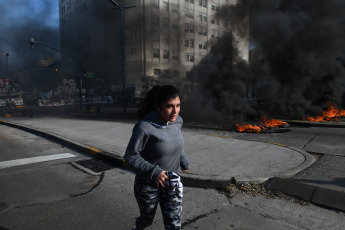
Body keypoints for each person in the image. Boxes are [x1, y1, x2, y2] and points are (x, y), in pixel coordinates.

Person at [124, 85, 190, 230]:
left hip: (171, 182)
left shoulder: (177, 121)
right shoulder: (144, 128)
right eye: (169, 106)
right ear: (158, 106)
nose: (175, 111)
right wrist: (155, 172)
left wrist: (183, 160)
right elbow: (130, 156)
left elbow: (175, 143)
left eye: (178, 105)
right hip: (148, 184)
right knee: (146, 220)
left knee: (174, 224)